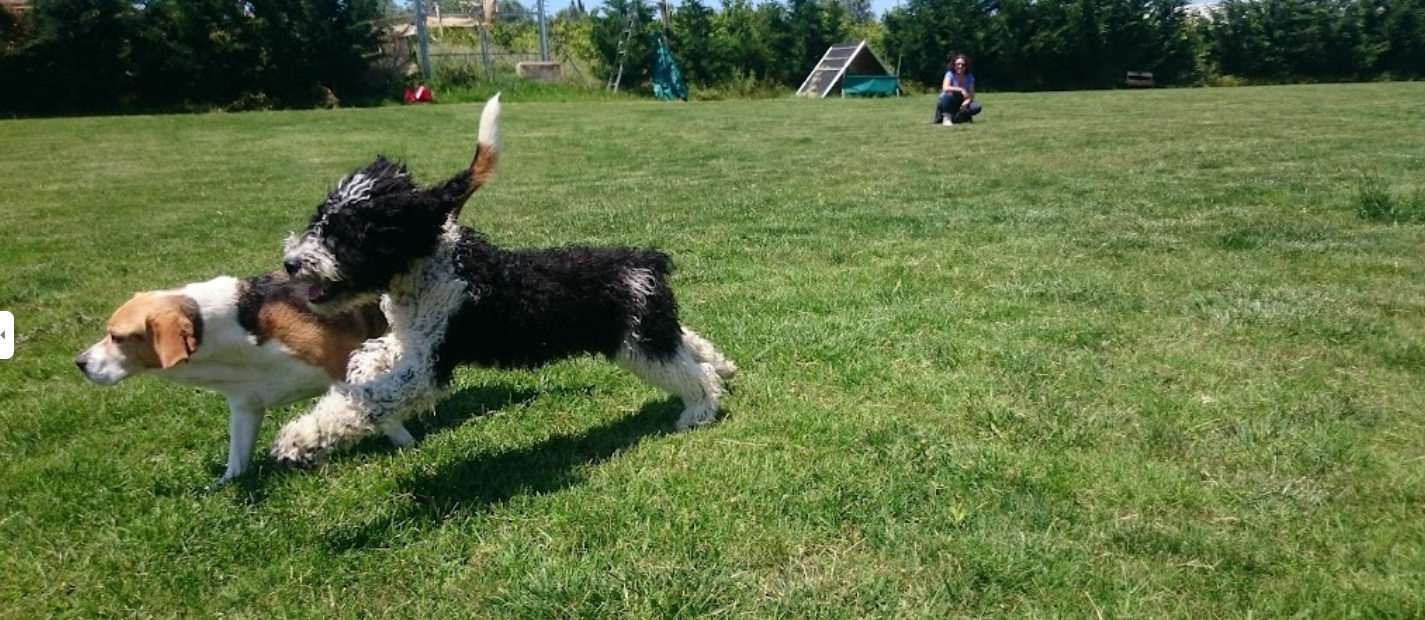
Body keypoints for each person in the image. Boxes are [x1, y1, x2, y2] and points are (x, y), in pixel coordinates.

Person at [933, 54, 982, 126]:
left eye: (963, 65)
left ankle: (960, 117)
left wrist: (966, 103)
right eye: (958, 64)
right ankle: (947, 118)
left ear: (966, 66)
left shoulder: (969, 76)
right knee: (948, 95)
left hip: (962, 100)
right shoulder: (950, 74)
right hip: (948, 100)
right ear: (954, 65)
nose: (960, 66)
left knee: (976, 107)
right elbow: (945, 88)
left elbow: (971, 95)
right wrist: (961, 89)